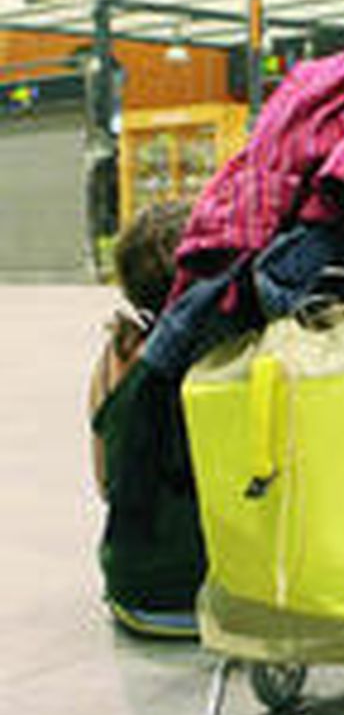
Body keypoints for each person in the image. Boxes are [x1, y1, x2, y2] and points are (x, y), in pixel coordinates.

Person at [88, 200, 205, 638]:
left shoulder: (116, 357)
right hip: (229, 601)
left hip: (138, 599)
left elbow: (106, 485)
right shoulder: (231, 351)